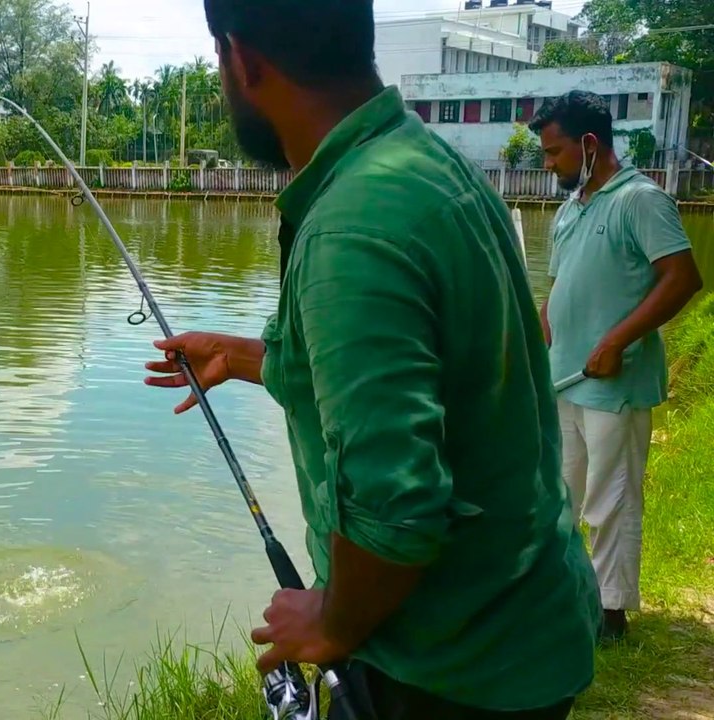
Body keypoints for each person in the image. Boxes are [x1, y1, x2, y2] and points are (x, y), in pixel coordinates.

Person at [143, 1, 602, 718]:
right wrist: (241, 358)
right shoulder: (419, 162)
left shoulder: (353, 225)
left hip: (452, 671)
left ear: (242, 59)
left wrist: (332, 622)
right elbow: (416, 374)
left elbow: (395, 511)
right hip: (525, 621)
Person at [531, 91, 704, 642]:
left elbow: (682, 278)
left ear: (589, 143)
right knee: (560, 497)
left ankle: (610, 615)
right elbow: (558, 292)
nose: (548, 163)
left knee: (612, 499)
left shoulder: (641, 200)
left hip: (615, 382)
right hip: (564, 380)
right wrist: (537, 343)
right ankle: (567, 596)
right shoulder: (569, 208)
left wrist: (618, 341)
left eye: (554, 152)